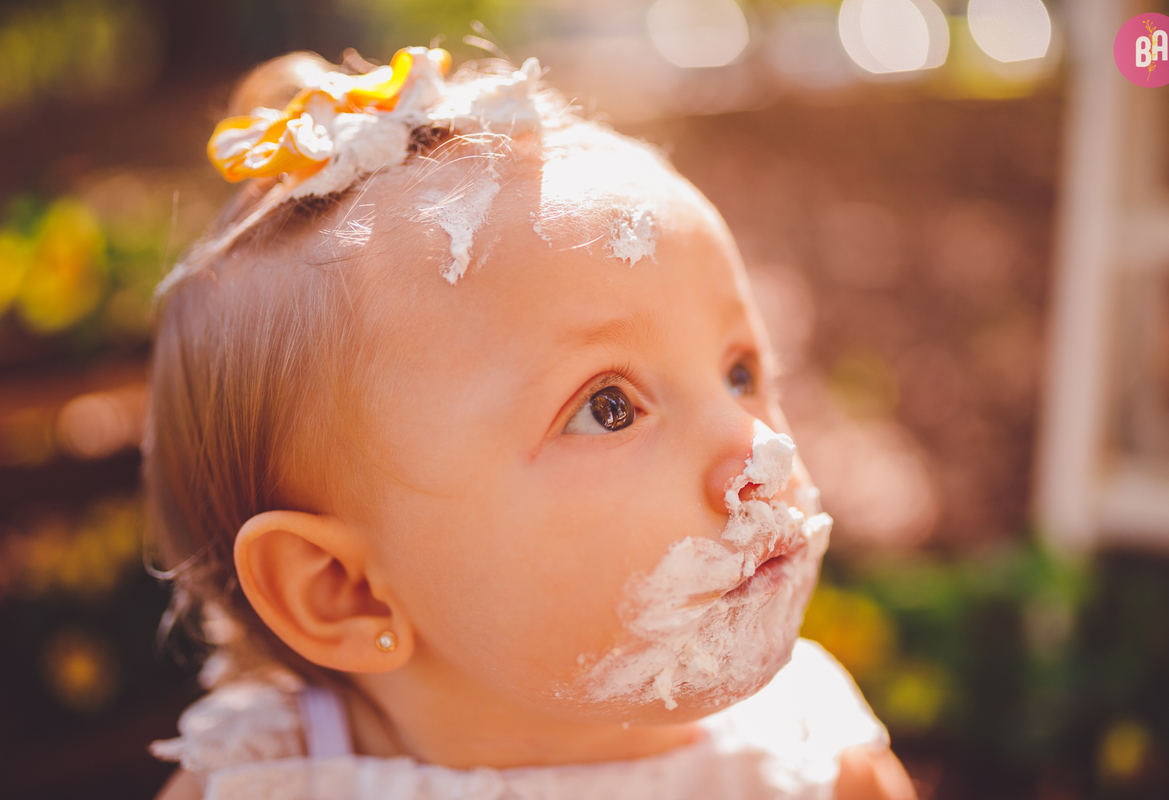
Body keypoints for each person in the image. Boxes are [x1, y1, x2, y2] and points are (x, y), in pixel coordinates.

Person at [147, 44, 917, 800]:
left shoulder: (815, 765)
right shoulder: (262, 782)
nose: (760, 451)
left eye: (741, 373)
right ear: (346, 591)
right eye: (607, 407)